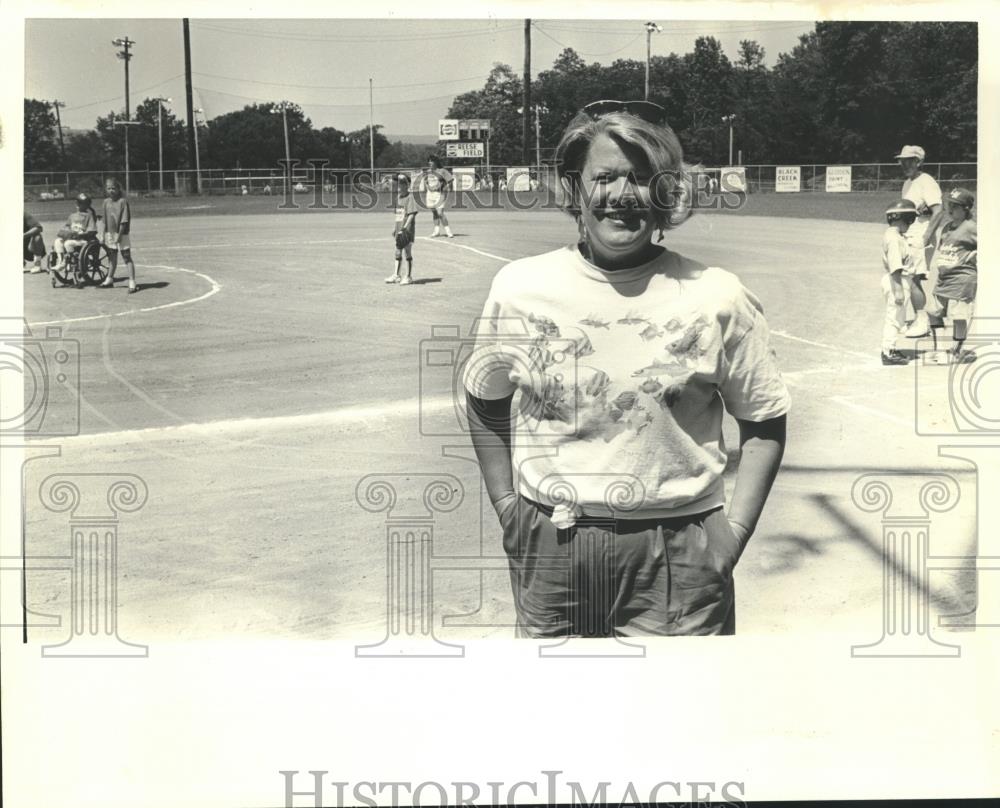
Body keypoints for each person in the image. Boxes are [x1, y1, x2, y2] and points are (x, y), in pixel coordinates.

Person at [463, 100, 790, 637]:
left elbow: (764, 421)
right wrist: (508, 509)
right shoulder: (520, 288)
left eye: (641, 178)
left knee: (676, 713)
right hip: (552, 544)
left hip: (679, 550)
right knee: (558, 709)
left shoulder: (716, 295)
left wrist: (732, 536)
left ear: (666, 191)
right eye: (605, 177)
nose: (622, 195)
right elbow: (484, 398)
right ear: (575, 187)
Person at [895, 145, 944, 337]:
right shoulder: (907, 183)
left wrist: (925, 238)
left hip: (922, 234)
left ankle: (923, 322)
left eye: (909, 160)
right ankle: (918, 317)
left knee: (914, 277)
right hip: (910, 233)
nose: (904, 164)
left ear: (918, 162)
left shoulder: (927, 182)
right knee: (907, 276)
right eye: (902, 160)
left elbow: (939, 211)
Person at [928, 188, 977, 363]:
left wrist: (976, 254)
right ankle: (940, 350)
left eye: (955, 206)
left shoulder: (971, 228)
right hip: (944, 279)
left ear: (965, 208)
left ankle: (957, 350)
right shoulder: (947, 227)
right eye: (949, 204)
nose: (950, 209)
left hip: (962, 279)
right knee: (933, 311)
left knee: (959, 317)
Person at [880, 199, 918, 366]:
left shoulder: (893, 235)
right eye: (909, 220)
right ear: (901, 218)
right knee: (894, 318)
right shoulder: (894, 239)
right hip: (897, 280)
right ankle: (888, 352)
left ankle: (891, 349)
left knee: (896, 318)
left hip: (896, 280)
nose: (910, 224)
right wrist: (899, 290)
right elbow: (896, 267)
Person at [99, 179, 138, 294]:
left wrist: (119, 235)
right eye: (109, 188)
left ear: (118, 189)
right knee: (112, 257)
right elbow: (104, 221)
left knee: (126, 257)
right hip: (110, 234)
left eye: (113, 188)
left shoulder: (123, 202)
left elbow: (124, 221)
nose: (111, 191)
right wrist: (102, 235)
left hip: (122, 233)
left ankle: (132, 282)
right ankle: (109, 279)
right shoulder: (106, 202)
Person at [51, 193, 99, 277]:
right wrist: (66, 232)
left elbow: (92, 230)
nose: (78, 205)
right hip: (72, 238)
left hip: (84, 240)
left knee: (68, 243)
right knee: (58, 241)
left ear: (87, 205)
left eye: (81, 203)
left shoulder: (89, 216)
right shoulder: (72, 216)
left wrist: (82, 234)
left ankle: (71, 261)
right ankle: (62, 262)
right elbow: (66, 227)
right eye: (77, 202)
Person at [385, 173, 419, 286]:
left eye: (401, 183)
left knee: (407, 252)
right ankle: (396, 275)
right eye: (398, 183)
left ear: (406, 185)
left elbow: (412, 214)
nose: (398, 185)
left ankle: (408, 276)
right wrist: (395, 228)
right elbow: (398, 215)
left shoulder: (410, 198)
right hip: (399, 229)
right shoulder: (398, 197)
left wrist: (404, 228)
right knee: (397, 251)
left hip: (407, 229)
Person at [420, 155, 454, 238]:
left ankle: (448, 231)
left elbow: (450, 180)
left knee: (440, 213)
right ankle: (436, 231)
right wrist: (428, 186)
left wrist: (446, 187)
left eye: (432, 161)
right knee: (434, 213)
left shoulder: (442, 171)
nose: (430, 163)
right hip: (430, 194)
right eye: (429, 161)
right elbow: (426, 181)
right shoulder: (428, 172)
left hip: (439, 194)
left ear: (436, 162)